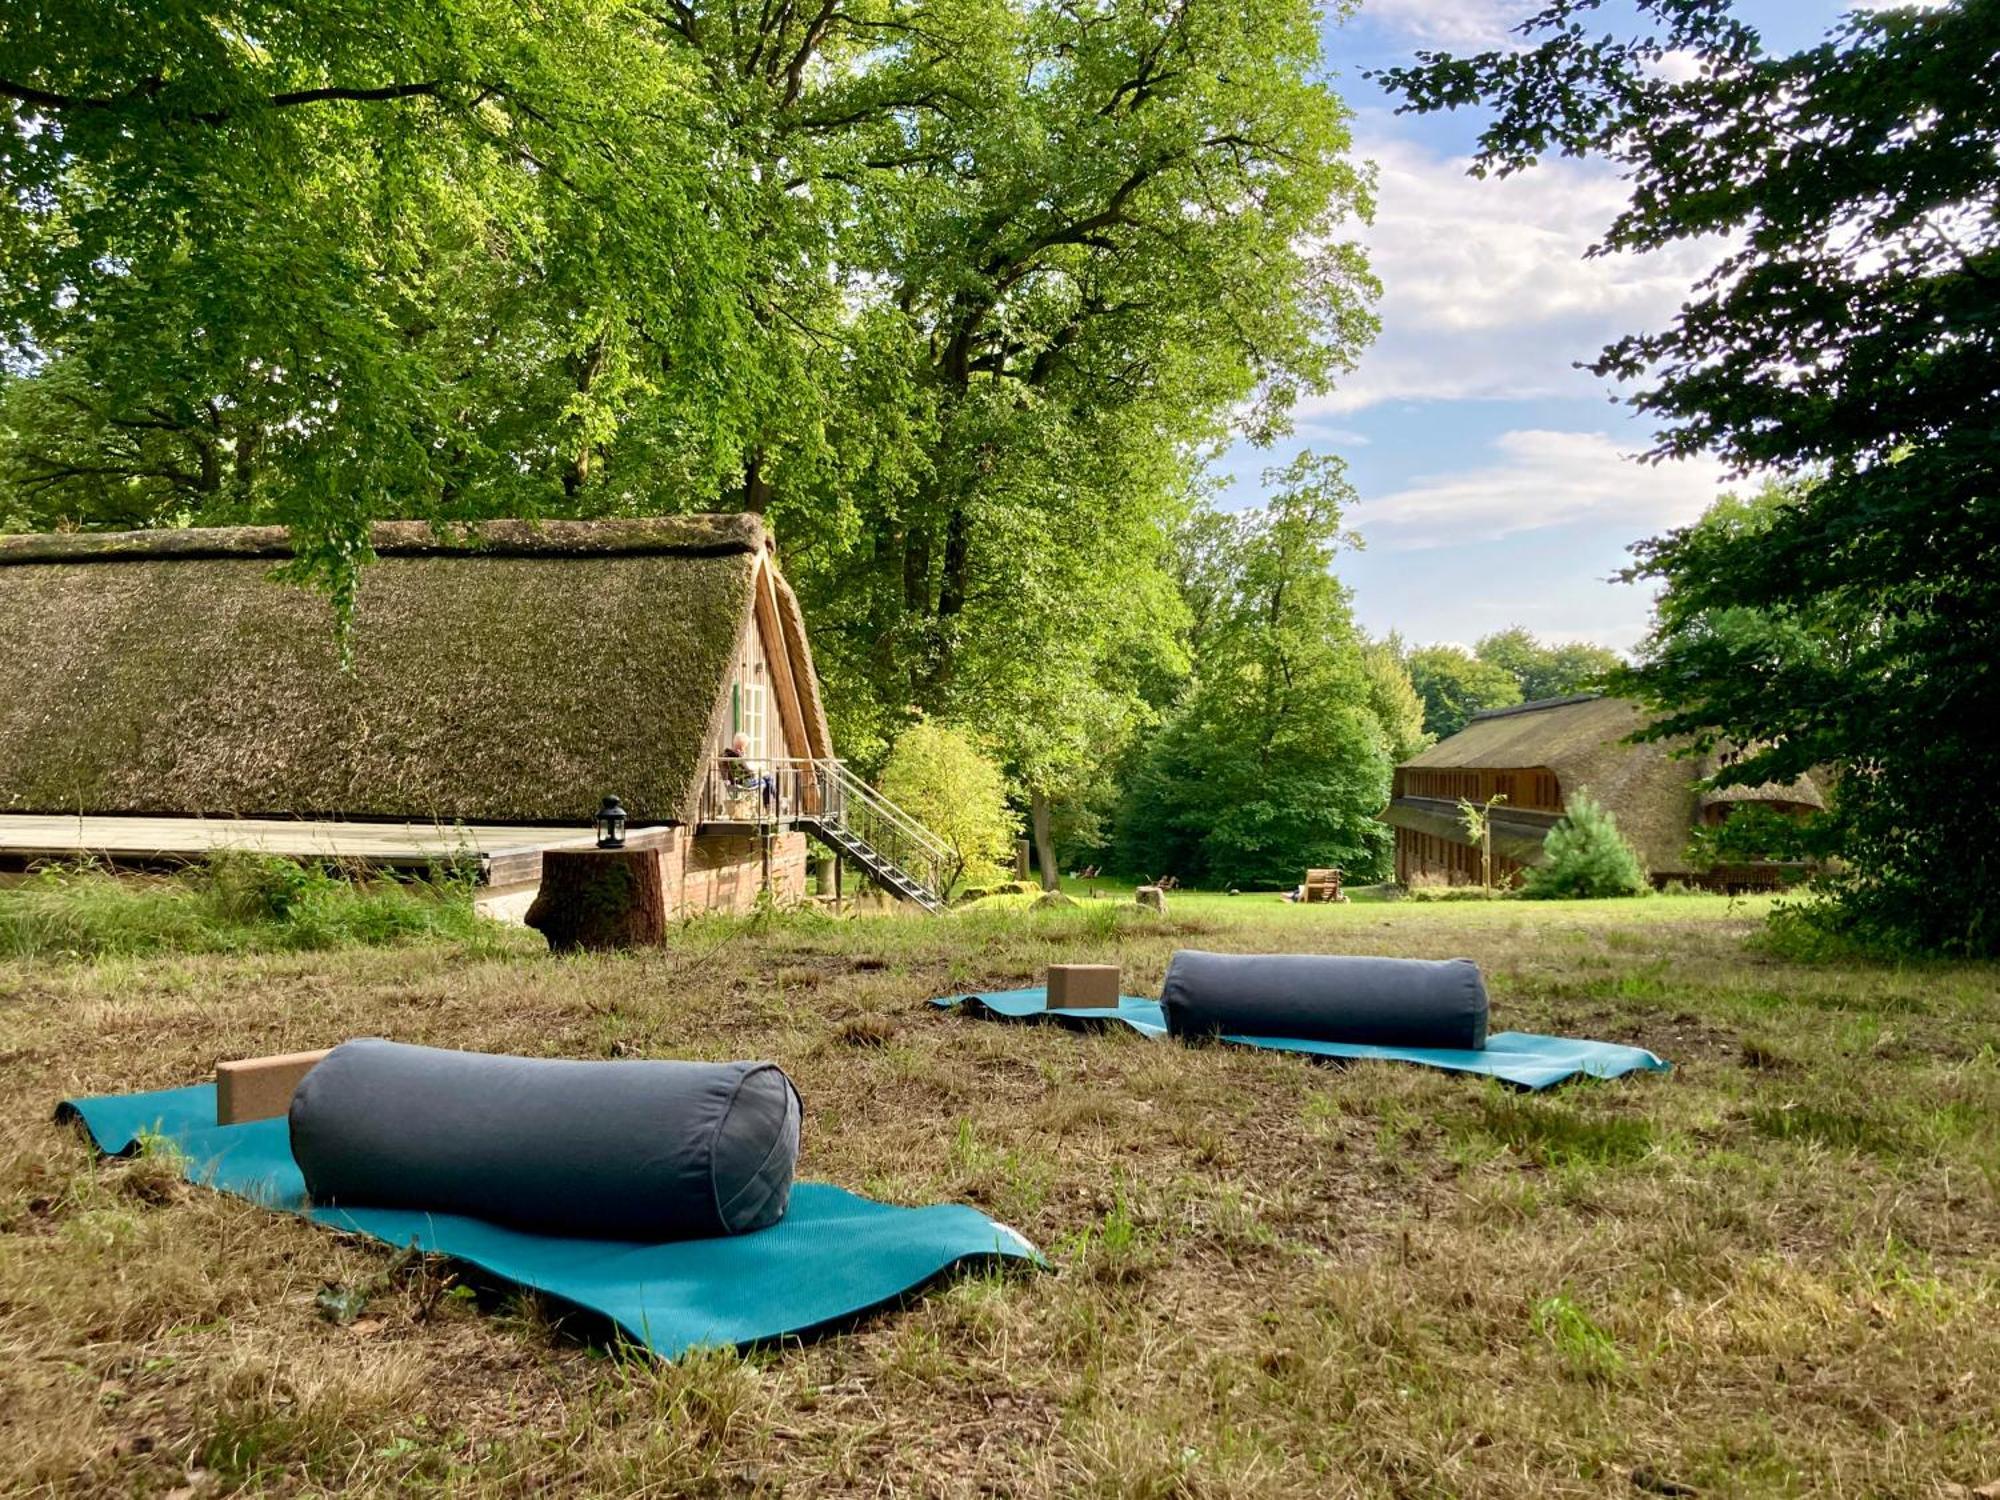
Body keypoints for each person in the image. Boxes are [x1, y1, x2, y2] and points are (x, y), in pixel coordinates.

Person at [720, 732, 776, 810]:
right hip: (744, 782)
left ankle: (770, 804)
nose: (745, 748)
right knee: (767, 780)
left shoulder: (730, 755)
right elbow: (748, 771)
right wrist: (744, 760)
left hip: (743, 779)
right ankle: (771, 805)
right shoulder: (736, 757)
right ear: (741, 746)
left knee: (768, 778)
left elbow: (744, 770)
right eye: (745, 746)